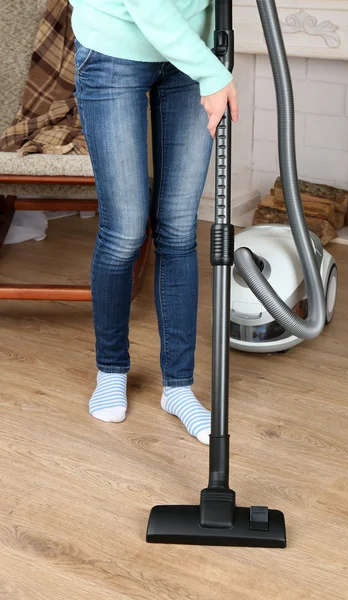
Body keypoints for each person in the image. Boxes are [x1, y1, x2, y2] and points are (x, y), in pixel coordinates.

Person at [70, 0, 239, 444]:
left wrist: (206, 64)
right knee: (125, 230)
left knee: (179, 229)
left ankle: (178, 388)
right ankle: (111, 371)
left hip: (194, 54)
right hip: (114, 49)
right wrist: (214, 72)